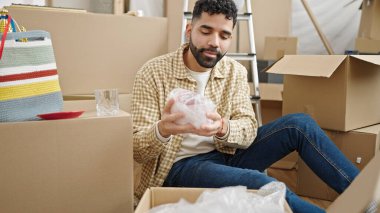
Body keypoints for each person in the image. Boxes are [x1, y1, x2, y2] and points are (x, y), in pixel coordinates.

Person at [132, 0, 359, 212]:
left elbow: (249, 129)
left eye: (224, 35)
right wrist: (163, 129)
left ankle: (366, 200)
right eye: (206, 31)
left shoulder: (235, 72)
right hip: (180, 165)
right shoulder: (153, 72)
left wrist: (222, 127)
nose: (215, 42)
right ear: (190, 30)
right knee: (265, 184)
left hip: (226, 151)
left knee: (300, 124)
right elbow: (137, 149)